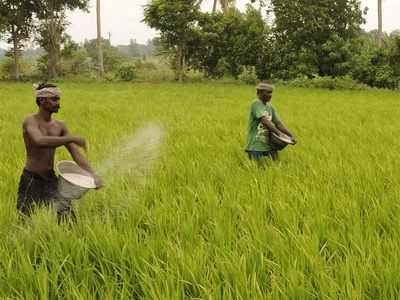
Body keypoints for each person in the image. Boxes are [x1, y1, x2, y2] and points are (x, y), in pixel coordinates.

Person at [17, 83, 102, 220]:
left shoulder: (60, 126)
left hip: (51, 177)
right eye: (55, 99)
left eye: (58, 99)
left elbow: (76, 154)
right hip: (31, 178)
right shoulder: (31, 121)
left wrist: (93, 175)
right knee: (26, 219)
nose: (58, 103)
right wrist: (72, 138)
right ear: (43, 100)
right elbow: (39, 140)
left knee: (67, 217)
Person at [245, 82, 297, 161]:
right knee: (255, 168)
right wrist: (279, 134)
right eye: (268, 92)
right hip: (256, 143)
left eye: (271, 93)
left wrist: (290, 136)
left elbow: (278, 123)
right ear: (260, 93)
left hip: (269, 143)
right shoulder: (256, 103)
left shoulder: (270, 107)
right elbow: (264, 121)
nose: (270, 95)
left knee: (276, 164)